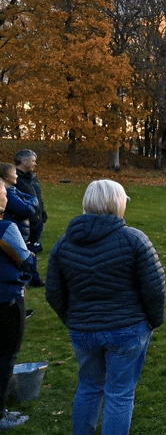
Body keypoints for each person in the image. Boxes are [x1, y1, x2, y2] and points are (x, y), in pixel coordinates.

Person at [46, 180, 166, 435]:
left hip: (87, 331)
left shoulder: (64, 243)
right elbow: (154, 288)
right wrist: (154, 320)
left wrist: (74, 319)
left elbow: (54, 292)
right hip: (125, 329)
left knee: (89, 387)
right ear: (118, 203)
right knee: (119, 394)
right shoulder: (134, 239)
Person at [0, 184, 35, 430]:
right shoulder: (5, 229)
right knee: (6, 355)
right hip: (6, 299)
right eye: (4, 193)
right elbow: (23, 260)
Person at [0, 163, 40, 287]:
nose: (6, 198)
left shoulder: (13, 190)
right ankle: (33, 281)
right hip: (7, 293)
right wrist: (27, 254)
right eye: (4, 196)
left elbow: (31, 198)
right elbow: (26, 208)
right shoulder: (6, 227)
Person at [14, 150, 45, 256]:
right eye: (33, 161)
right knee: (22, 253)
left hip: (37, 222)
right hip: (23, 223)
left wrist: (42, 213)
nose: (35, 164)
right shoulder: (14, 179)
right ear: (24, 161)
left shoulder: (33, 178)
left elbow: (38, 197)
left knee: (34, 252)